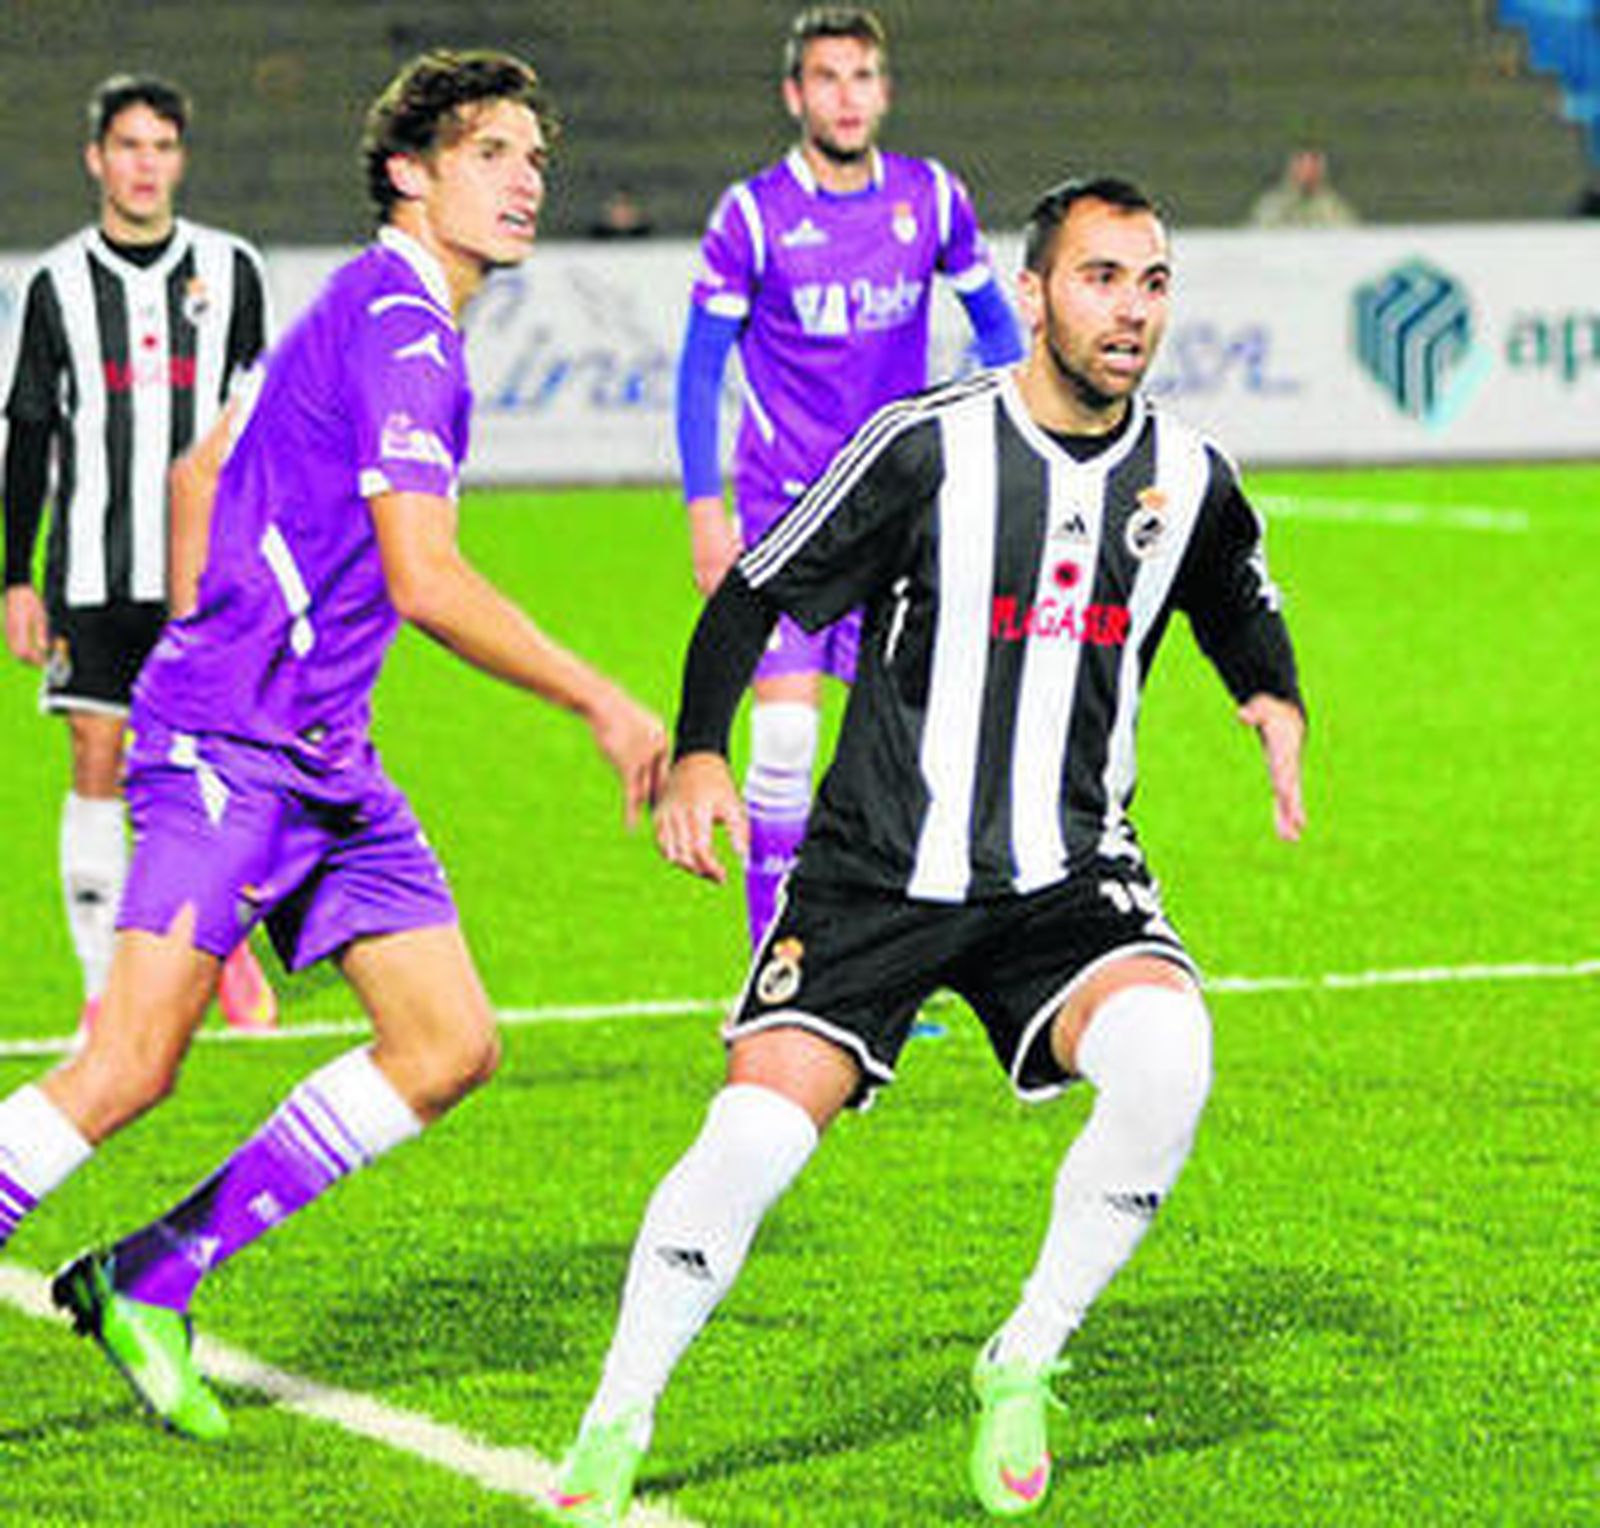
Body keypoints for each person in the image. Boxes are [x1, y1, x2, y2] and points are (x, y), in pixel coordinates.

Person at [541, 176, 1307, 1524]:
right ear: (1032, 296)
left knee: (1171, 1059)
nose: (1129, 310)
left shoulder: (1186, 474)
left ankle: (1024, 1357)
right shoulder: (926, 448)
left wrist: (1272, 695)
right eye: (1098, 278)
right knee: (755, 1139)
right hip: (877, 873)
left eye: (1152, 281)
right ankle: (616, 1418)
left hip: (1066, 880)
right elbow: (757, 592)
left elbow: (1233, 590)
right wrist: (705, 747)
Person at [0, 49, 668, 1442]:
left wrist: (222, 628)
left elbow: (201, 473)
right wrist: (602, 700)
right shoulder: (404, 331)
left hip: (314, 753)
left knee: (445, 1042)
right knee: (129, 1064)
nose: (526, 179)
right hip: (240, 750)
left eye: (535, 157)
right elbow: (425, 579)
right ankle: (141, 1270)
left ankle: (150, 1274)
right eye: (492, 153)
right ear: (409, 173)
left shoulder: (378, 308)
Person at [676, 5, 1024, 952]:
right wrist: (706, 512)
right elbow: (701, 370)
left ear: (884, 90)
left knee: (896, 756)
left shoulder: (933, 197)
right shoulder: (753, 215)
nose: (846, 95)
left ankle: (873, 969)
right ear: (796, 94)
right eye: (827, 78)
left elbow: (1001, 331)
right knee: (785, 745)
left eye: (862, 76)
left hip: (899, 517)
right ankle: (774, 964)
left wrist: (979, 414)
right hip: (788, 516)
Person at [3, 74, 280, 1036]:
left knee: (222, 764)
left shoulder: (232, 271)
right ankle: (102, 990)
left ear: (180, 159)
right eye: (129, 146)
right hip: (89, 573)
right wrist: (14, 577)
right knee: (96, 756)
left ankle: (226, 944)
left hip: (206, 576)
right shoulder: (56, 286)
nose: (145, 164)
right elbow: (30, 432)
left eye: (162, 146)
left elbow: (256, 428)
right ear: (96, 159)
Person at [1247, 146, 1359, 229]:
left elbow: (1348, 241)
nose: (1308, 167)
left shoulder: (1335, 207)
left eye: (1314, 160)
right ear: (1291, 166)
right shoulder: (1271, 205)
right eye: (1301, 160)